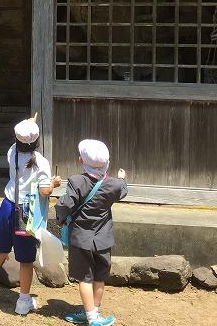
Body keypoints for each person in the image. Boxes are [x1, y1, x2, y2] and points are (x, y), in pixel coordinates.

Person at [0, 114, 61, 314]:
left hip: (8, 206)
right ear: (37, 141)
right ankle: (23, 301)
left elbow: (23, 138)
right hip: (26, 212)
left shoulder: (12, 151)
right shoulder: (40, 162)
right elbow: (44, 191)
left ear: (17, 138)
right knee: (26, 259)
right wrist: (54, 184)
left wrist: (29, 124)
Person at [55, 139, 127, 326]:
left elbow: (66, 205)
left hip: (81, 238)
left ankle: (91, 317)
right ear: (108, 163)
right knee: (99, 277)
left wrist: (60, 214)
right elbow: (123, 190)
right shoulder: (114, 185)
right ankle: (94, 312)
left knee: (84, 278)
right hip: (103, 239)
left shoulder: (76, 181)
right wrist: (122, 178)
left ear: (81, 160)